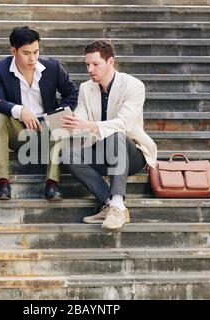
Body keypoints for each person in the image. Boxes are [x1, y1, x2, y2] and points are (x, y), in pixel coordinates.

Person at [62, 40, 157, 230]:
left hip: (132, 154)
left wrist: (88, 125)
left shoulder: (134, 86)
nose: (90, 69)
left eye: (95, 64)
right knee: (67, 154)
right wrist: (71, 121)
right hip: (102, 151)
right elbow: (81, 114)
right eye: (87, 64)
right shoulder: (85, 88)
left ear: (111, 62)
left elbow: (124, 123)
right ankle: (111, 205)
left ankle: (117, 201)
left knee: (116, 135)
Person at [0, 26, 78, 200]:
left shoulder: (52, 66)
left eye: (36, 52)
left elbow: (72, 93)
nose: (32, 58)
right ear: (13, 51)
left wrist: (57, 114)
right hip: (19, 133)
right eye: (26, 53)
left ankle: (52, 184)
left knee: (61, 119)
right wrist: (20, 111)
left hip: (48, 133)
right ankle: (3, 183)